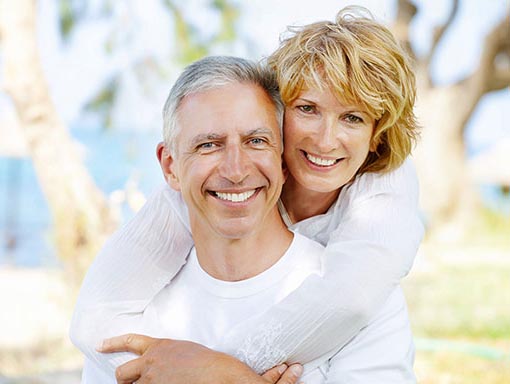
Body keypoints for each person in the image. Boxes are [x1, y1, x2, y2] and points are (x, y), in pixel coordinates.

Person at [70, 5, 422, 382]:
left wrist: (222, 373)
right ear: (277, 117)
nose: (325, 139)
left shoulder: (383, 203)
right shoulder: (188, 196)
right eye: (307, 108)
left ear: (377, 136)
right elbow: (95, 318)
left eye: (353, 117)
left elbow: (349, 300)